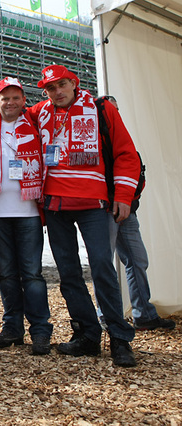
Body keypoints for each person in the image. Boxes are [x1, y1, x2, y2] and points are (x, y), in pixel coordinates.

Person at [28, 65, 141, 367]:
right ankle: (87, 335)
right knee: (68, 274)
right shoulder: (39, 111)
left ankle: (119, 337)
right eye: (51, 88)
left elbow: (126, 154)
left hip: (94, 204)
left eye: (62, 84)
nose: (57, 92)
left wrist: (124, 196)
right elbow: (9, 112)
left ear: (74, 83)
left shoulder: (101, 108)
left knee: (103, 268)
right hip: (55, 206)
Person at [0, 77, 53, 355]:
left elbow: (54, 105)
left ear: (24, 100)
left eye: (16, 97)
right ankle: (13, 328)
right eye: (5, 98)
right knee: (6, 274)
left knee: (31, 274)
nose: (11, 102)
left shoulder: (35, 122)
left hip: (28, 211)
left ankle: (41, 330)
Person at [104, 97, 175, 331]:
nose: (112, 114)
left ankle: (143, 313)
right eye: (108, 111)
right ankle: (106, 316)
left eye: (115, 110)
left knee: (138, 260)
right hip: (105, 210)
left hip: (127, 212)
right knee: (104, 263)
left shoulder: (123, 141)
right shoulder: (98, 143)